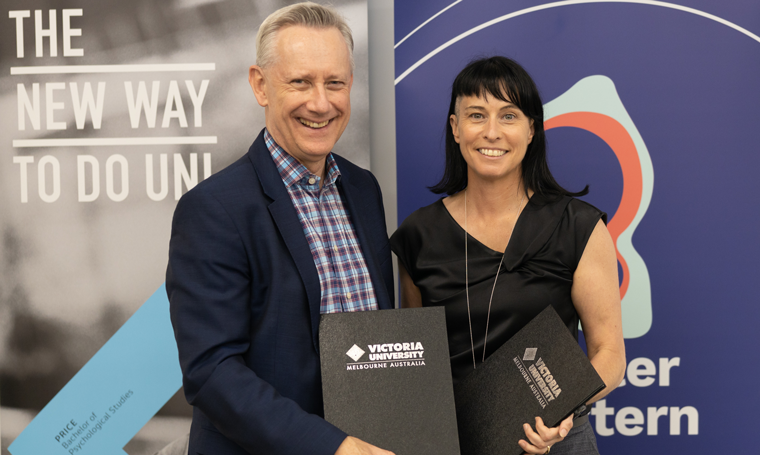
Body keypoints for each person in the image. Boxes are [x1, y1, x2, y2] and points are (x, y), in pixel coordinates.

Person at [166, 3, 395, 455]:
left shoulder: (364, 189)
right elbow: (212, 372)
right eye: (300, 82)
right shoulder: (212, 210)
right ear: (260, 85)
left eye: (335, 83)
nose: (321, 102)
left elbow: (381, 339)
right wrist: (333, 446)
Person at [390, 56, 626, 455]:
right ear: (455, 128)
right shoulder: (418, 235)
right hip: (456, 443)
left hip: (558, 441)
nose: (492, 132)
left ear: (532, 130)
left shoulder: (578, 226)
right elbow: (417, 366)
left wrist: (562, 411)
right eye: (477, 115)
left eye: (509, 116)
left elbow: (610, 355)